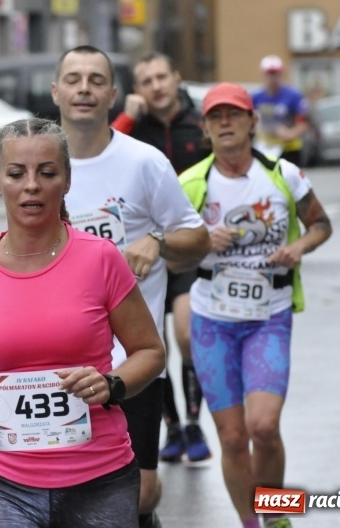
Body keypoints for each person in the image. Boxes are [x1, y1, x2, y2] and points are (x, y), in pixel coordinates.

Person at [0, 117, 167, 528]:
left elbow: (150, 351)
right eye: (17, 173)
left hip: (99, 476)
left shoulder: (101, 258)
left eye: (47, 172)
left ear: (67, 180)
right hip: (5, 482)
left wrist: (111, 385)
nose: (32, 185)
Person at [51, 45, 211, 528]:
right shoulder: (40, 164)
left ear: (114, 94)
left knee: (138, 494)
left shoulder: (144, 162)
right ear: (56, 92)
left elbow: (197, 237)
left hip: (130, 359)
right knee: (63, 489)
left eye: (96, 80)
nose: (84, 89)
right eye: (73, 79)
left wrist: (158, 242)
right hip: (53, 359)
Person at [178, 82, 332, 528]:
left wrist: (300, 246)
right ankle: (251, 523)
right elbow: (168, 252)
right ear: (206, 129)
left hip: (269, 316)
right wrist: (202, 241)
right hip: (213, 321)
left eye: (234, 114)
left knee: (263, 428)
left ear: (252, 121)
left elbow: (321, 224)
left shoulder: (284, 174)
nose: (225, 123)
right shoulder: (191, 183)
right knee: (231, 436)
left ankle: (274, 514)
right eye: (215, 117)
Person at [110, 50, 213, 464]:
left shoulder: (198, 123)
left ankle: (193, 422)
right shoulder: (133, 130)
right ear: (137, 90)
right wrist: (129, 117)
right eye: (147, 80)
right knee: (154, 347)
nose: (156, 86)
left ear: (177, 78)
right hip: (141, 258)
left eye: (161, 77)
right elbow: (91, 155)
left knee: (187, 332)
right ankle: (170, 426)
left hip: (184, 249)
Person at [251, 55, 311, 168]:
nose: (272, 78)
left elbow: (304, 123)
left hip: (289, 148)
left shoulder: (293, 96)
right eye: (269, 74)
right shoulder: (256, 97)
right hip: (265, 145)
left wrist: (290, 133)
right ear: (263, 75)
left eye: (276, 74)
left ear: (281, 74)